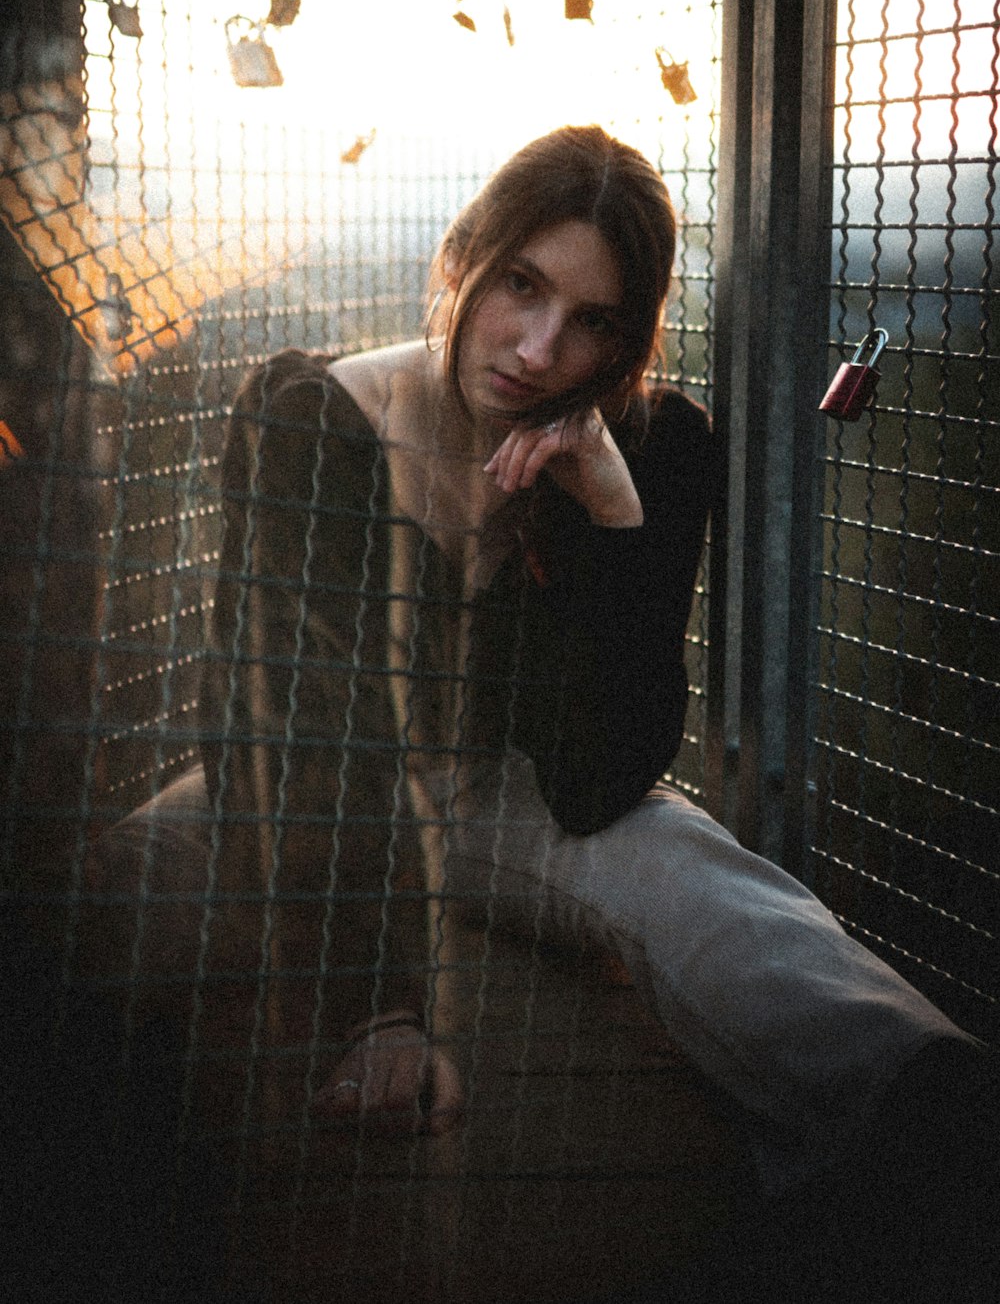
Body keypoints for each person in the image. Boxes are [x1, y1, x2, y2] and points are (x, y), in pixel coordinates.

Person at [85, 126, 992, 1288]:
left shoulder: (656, 450)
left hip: (507, 791)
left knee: (721, 898)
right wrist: (381, 1011)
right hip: (298, 788)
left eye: (591, 320)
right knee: (100, 902)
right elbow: (286, 725)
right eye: (521, 284)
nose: (536, 346)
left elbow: (603, 774)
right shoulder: (311, 418)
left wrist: (613, 521)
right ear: (469, 253)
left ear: (625, 337)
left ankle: (948, 1142)